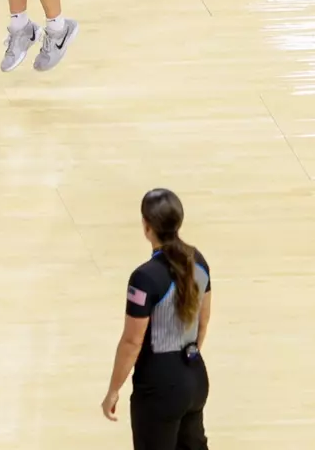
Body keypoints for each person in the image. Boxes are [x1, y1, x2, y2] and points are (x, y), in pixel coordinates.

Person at [102, 189, 213, 450]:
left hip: (159, 385)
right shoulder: (199, 261)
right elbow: (204, 320)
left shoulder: (144, 278)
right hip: (195, 376)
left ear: (146, 226)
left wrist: (113, 390)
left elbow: (132, 342)